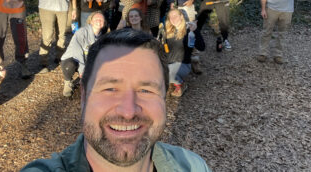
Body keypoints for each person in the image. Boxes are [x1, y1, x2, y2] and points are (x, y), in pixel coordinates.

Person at [21, 28, 211, 171]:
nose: (128, 112)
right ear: (84, 97)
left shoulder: (193, 166)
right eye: (110, 89)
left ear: (164, 99)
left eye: (146, 90)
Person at [60, 11, 106, 97]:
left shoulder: (102, 38)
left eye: (101, 20)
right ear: (91, 21)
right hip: (74, 59)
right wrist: (82, 70)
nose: (99, 21)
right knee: (69, 64)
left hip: (87, 62)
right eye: (96, 19)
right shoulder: (82, 32)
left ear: (104, 23)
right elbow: (77, 51)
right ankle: (68, 82)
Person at [164, 9, 205, 97]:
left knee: (166, 72)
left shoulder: (189, 31)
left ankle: (181, 84)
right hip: (168, 62)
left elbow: (202, 47)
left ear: (181, 16)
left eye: (175, 16)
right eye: (171, 17)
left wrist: (195, 31)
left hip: (182, 64)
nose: (173, 18)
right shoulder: (168, 31)